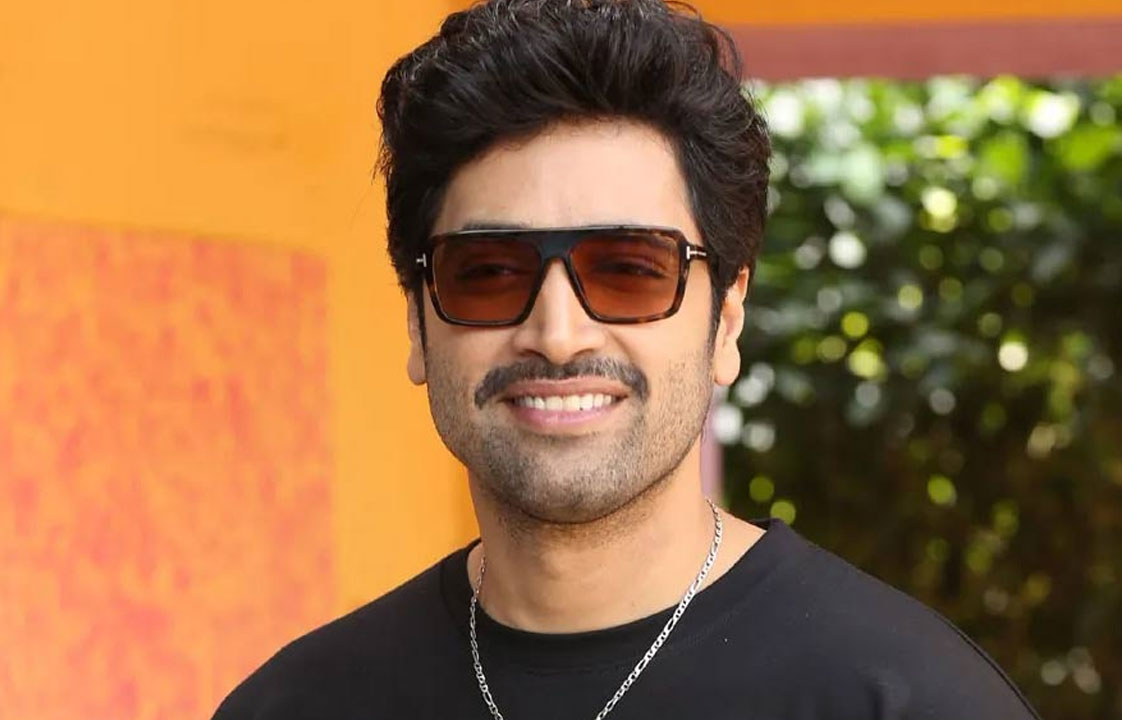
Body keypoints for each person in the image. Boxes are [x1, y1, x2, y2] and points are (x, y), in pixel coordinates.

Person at [212, 0, 1041, 717]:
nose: (558, 334)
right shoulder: (297, 705)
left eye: (629, 270)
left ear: (727, 319)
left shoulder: (907, 700)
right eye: (489, 273)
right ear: (416, 319)